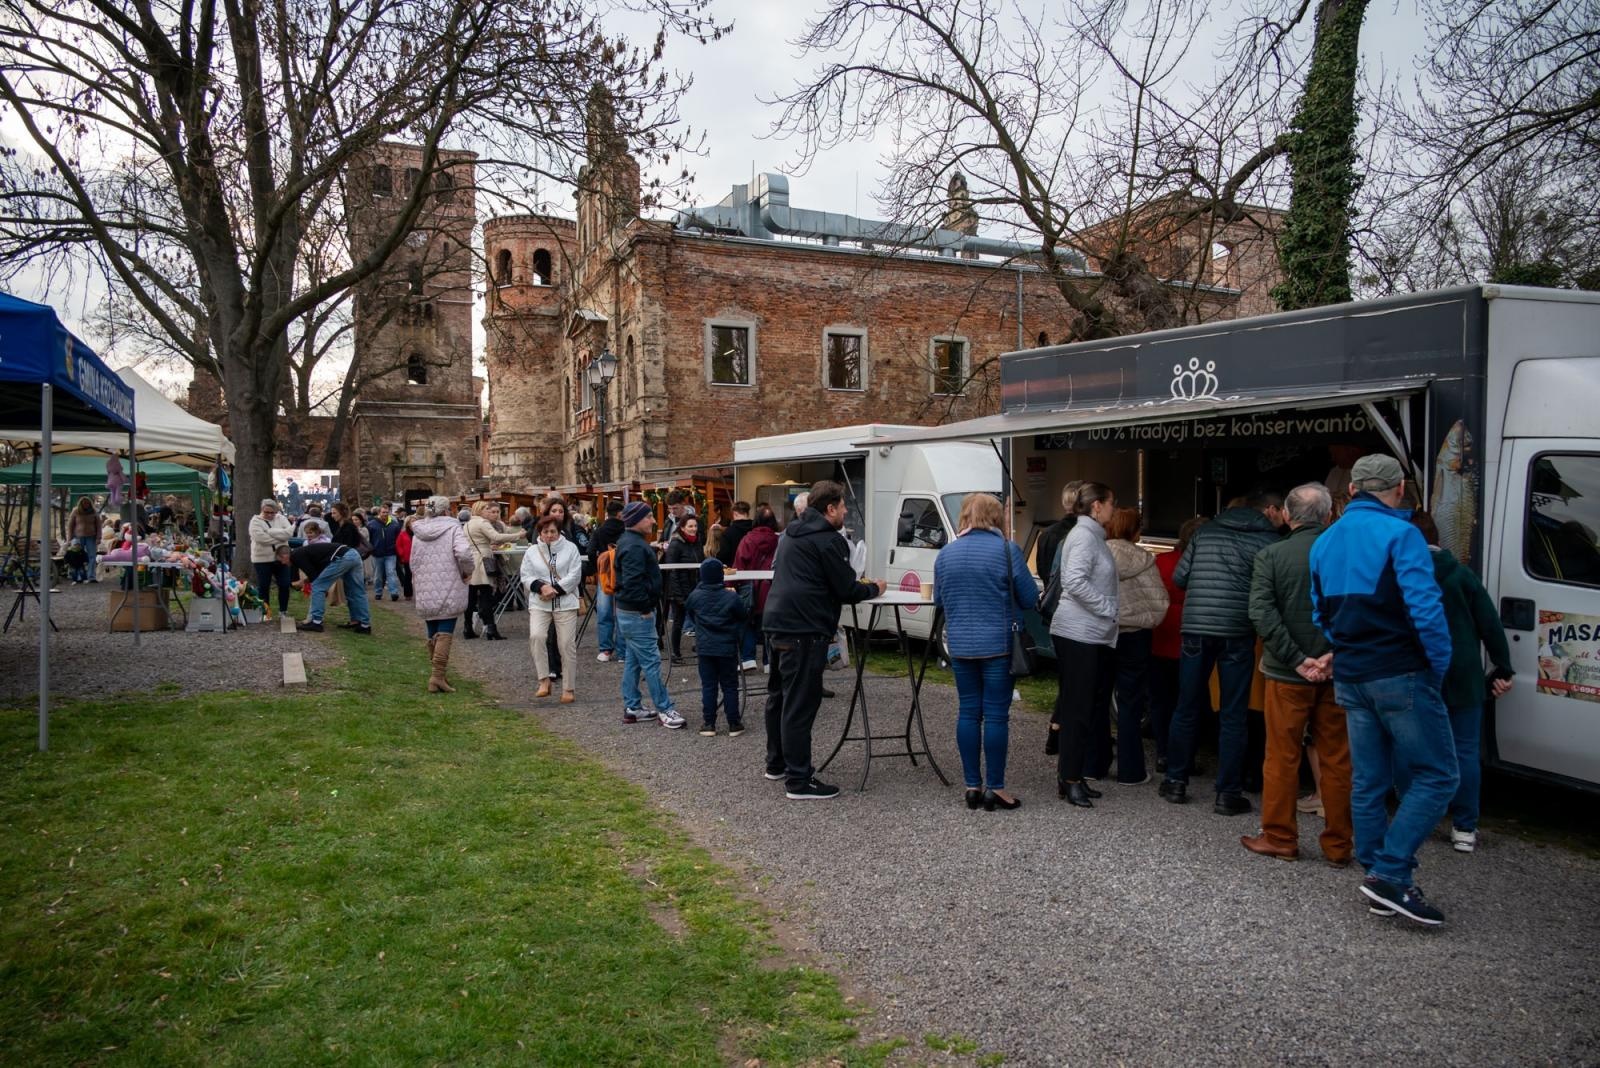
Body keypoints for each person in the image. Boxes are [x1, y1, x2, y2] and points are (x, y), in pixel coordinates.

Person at [1309, 454, 1455, 926]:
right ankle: (1390, 874)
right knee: (1438, 775)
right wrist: (1438, 667)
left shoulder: (1324, 541)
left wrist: (1343, 648)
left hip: (1352, 673)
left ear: (1351, 491)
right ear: (1397, 491)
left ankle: (1377, 872)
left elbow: (1320, 614)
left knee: (1369, 780)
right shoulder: (1403, 534)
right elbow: (1426, 611)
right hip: (1400, 670)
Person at [1243, 483, 1353, 865]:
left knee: (1281, 756)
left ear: (1287, 516)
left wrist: (1296, 659)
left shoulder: (1272, 555)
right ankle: (1339, 844)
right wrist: (1332, 656)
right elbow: (1361, 610)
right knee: (1338, 757)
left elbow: (1261, 613)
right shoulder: (1348, 555)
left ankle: (1279, 837)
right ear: (1328, 515)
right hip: (1338, 672)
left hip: (1286, 674)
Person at [1160, 489, 1284, 814]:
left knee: (1186, 706)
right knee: (1233, 713)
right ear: (1265, 511)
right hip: (1238, 632)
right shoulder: (1268, 540)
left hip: (1197, 628)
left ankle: (1175, 782)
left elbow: (1180, 576)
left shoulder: (1205, 533)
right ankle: (1228, 793)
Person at [762, 480, 885, 801]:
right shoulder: (827, 540)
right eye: (843, 506)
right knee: (800, 704)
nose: (846, 511)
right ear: (830, 509)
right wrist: (876, 588)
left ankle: (777, 764)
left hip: (777, 621)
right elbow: (847, 589)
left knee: (780, 697)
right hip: (804, 628)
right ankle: (799, 780)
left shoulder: (792, 532)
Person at [1403, 509, 1515, 855]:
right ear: (1437, 538)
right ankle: (1464, 828)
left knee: (1412, 749)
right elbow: (1490, 625)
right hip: (1463, 674)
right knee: (1464, 751)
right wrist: (1503, 667)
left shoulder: (1401, 575)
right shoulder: (1462, 575)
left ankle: (1414, 819)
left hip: (1418, 671)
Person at [934, 492, 1039, 811]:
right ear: (996, 518)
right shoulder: (1007, 551)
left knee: (968, 712)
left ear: (965, 516)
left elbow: (939, 600)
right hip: (999, 644)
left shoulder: (946, 554)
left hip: (961, 645)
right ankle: (995, 787)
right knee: (995, 715)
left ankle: (971, 785)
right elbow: (1028, 597)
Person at [1049, 482, 1120, 808]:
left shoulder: (1093, 536)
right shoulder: (1082, 537)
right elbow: (1074, 581)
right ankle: (1070, 778)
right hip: (1078, 634)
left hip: (1093, 635)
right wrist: (1107, 608)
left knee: (1087, 708)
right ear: (1096, 507)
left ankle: (1073, 775)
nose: (1114, 509)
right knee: (1077, 710)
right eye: (1111, 503)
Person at [1104, 507, 1169, 785]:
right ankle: (1131, 770)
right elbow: (1160, 602)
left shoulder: (1098, 554)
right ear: (1135, 530)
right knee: (1130, 703)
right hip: (1136, 636)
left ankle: (1095, 764)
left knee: (1098, 699)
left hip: (1103, 634)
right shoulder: (1144, 560)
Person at [614, 500, 683, 728]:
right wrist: (645, 608)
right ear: (636, 520)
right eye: (650, 516)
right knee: (652, 662)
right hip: (637, 613)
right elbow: (633, 583)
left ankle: (632, 707)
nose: (654, 521)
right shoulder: (634, 545)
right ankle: (665, 709)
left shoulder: (631, 542)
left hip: (630, 611)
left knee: (633, 662)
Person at [408, 495, 475, 692]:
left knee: (432, 628)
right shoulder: (454, 528)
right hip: (449, 581)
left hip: (425, 583)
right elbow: (463, 554)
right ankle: (437, 676)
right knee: (445, 629)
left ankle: (439, 675)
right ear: (447, 510)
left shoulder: (418, 531)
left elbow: (413, 560)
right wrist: (467, 571)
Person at [1038, 480, 1084, 756]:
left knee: (1066, 676)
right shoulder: (1081, 534)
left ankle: (1057, 729)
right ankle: (1061, 732)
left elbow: (1045, 573)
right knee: (1074, 679)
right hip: (1074, 611)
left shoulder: (1047, 534)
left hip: (1052, 609)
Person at [522, 514, 583, 703]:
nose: (550, 535)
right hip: (539, 602)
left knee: (566, 644)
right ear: (539, 532)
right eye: (546, 531)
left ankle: (568, 688)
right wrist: (541, 587)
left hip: (565, 603)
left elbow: (575, 575)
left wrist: (554, 589)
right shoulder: (531, 551)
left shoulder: (571, 548)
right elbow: (526, 575)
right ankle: (543, 679)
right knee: (537, 636)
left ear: (559, 531)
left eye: (553, 531)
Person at [686, 557, 748, 736]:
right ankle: (734, 723)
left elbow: (689, 613)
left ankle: (709, 723)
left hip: (705, 647)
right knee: (729, 685)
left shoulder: (695, 596)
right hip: (727, 646)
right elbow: (742, 615)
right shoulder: (731, 596)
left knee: (709, 685)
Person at [731, 504, 780, 671]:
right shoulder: (779, 540)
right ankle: (768, 662)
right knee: (769, 626)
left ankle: (748, 658)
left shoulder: (747, 539)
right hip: (771, 589)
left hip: (749, 588)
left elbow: (739, 564)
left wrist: (731, 585)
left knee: (747, 622)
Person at [463, 500, 521, 641]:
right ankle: (490, 628)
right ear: (480, 510)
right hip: (482, 560)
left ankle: (468, 627)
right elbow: (496, 537)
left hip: (472, 560)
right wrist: (518, 535)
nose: (488, 512)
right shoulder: (482, 523)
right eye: (486, 509)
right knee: (486, 595)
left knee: (470, 597)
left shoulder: (468, 524)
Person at [292, 536, 370, 635]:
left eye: (282, 561)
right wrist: (305, 581)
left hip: (342, 557)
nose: (283, 563)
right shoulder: (307, 552)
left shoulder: (295, 555)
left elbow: (314, 577)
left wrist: (302, 582)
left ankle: (316, 622)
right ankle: (363, 624)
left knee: (318, 587)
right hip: (353, 554)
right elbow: (318, 572)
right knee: (356, 591)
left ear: (284, 555)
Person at [664, 514, 704, 663]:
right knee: (678, 622)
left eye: (695, 526)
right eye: (690, 526)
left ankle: (701, 648)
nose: (693, 529)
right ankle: (675, 653)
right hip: (679, 589)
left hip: (695, 588)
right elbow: (672, 571)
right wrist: (678, 595)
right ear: (682, 528)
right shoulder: (675, 544)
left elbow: (701, 563)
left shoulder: (697, 542)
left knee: (699, 620)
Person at [590, 499, 626, 662]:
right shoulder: (626, 530)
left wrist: (596, 568)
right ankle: (623, 651)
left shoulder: (599, 531)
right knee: (622, 612)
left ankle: (605, 649)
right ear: (620, 514)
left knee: (604, 613)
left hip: (605, 574)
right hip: (624, 574)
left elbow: (590, 551)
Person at [248, 498, 293, 620]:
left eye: (272, 512)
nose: (269, 515)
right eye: (266, 512)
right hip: (262, 559)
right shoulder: (255, 521)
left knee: (284, 584)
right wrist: (280, 537)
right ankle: (265, 612)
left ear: (276, 511)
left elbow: (289, 533)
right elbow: (260, 538)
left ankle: (283, 611)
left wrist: (270, 532)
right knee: (264, 586)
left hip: (281, 557)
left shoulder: (281, 519)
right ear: (262, 510)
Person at [367, 503, 402, 601]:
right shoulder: (372, 525)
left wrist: (396, 548)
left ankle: (393, 592)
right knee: (378, 575)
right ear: (379, 513)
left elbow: (398, 538)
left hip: (391, 553)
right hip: (377, 553)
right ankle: (378, 592)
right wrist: (371, 548)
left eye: (387, 512)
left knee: (391, 572)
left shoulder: (394, 525)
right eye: (383, 512)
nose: (385, 514)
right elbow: (369, 538)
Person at [68, 496, 100, 584]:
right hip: (78, 537)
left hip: (91, 537)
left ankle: (91, 576)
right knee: (77, 557)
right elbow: (70, 525)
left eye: (88, 503)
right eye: (84, 503)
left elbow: (98, 526)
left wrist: (98, 538)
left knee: (92, 557)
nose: (86, 505)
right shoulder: (75, 511)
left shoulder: (94, 512)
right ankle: (79, 576)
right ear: (81, 504)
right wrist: (69, 539)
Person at [718, 500, 754, 566]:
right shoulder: (756, 529)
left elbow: (723, 555)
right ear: (747, 513)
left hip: (735, 570)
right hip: (755, 571)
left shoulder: (728, 532)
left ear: (735, 514)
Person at [394, 514, 415, 600]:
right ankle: (408, 594)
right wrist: (402, 554)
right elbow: (398, 545)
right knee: (408, 576)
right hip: (407, 558)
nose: (414, 523)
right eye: (412, 522)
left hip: (418, 557)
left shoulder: (420, 533)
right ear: (408, 523)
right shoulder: (403, 533)